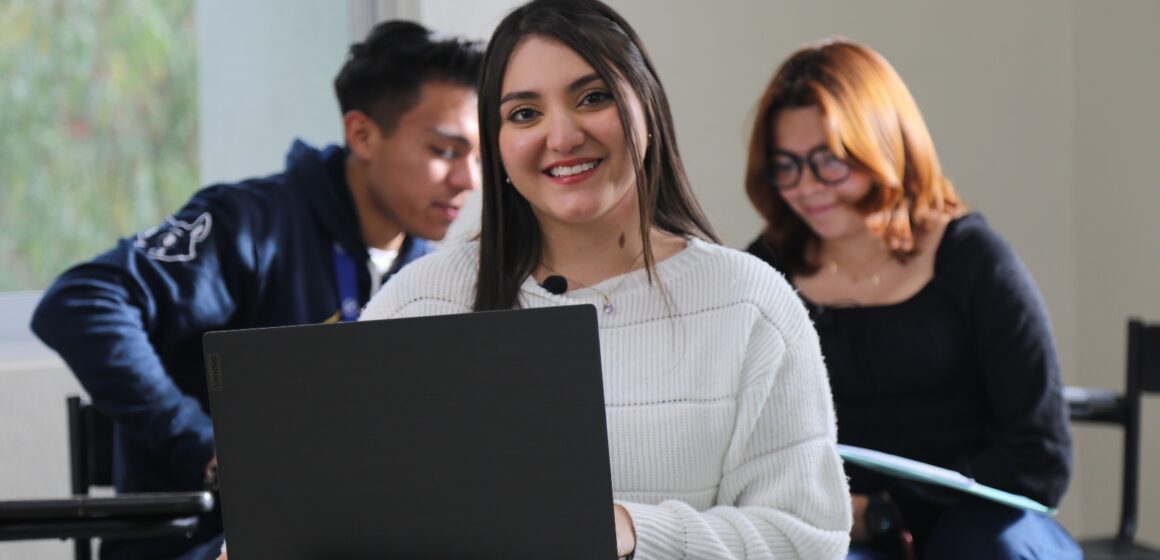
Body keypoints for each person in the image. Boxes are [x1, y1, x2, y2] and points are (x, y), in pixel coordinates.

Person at [356, 1, 852, 558]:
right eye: (524, 114)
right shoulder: (419, 302)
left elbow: (806, 540)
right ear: (495, 143)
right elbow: (341, 510)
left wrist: (630, 530)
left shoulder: (749, 304)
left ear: (647, 105)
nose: (562, 137)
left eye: (593, 98)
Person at [30, 20, 483, 560]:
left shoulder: (434, 275)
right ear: (362, 134)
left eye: (479, 157)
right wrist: (204, 442)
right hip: (202, 543)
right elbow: (82, 301)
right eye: (445, 151)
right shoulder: (247, 226)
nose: (469, 180)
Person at [743, 38, 1078, 559]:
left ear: (883, 146)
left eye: (828, 161)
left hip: (981, 529)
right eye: (785, 165)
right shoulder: (765, 271)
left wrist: (887, 510)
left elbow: (1041, 456)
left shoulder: (972, 261)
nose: (806, 187)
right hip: (832, 532)